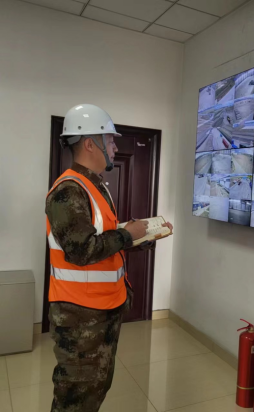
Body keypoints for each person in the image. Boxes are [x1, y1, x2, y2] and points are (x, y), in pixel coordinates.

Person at [45, 104, 173, 412]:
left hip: (100, 312)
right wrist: (127, 235)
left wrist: (140, 237)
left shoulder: (95, 185)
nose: (115, 147)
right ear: (90, 144)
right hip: (80, 318)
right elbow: (81, 251)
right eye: (111, 140)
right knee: (75, 399)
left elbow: (101, 238)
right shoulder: (68, 191)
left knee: (94, 391)